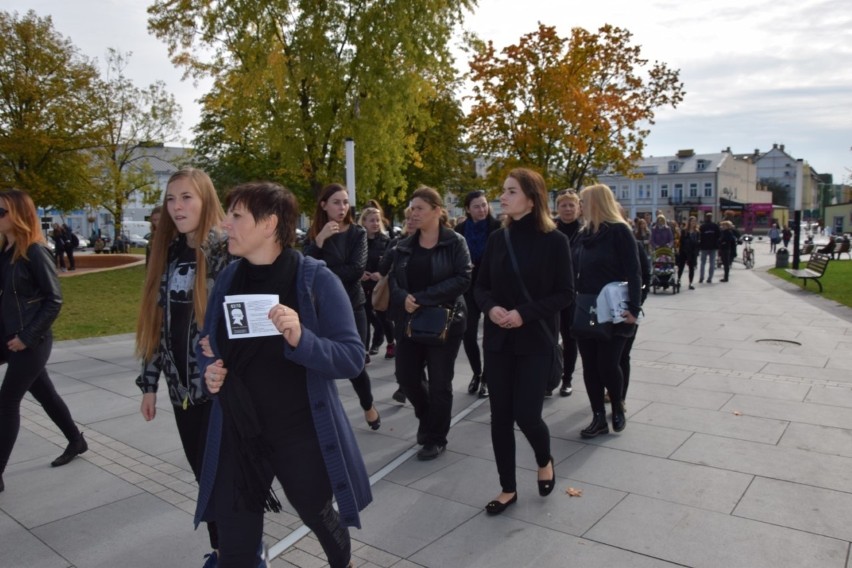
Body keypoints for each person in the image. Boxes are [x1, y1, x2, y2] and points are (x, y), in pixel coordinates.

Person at [195, 181, 371, 568]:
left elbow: (352, 357)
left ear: (270, 223)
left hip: (299, 433)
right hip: (239, 431)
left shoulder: (315, 279)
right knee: (236, 547)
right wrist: (210, 371)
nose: (226, 224)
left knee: (317, 513)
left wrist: (302, 338)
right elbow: (206, 344)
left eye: (237, 216)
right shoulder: (228, 278)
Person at [134, 167, 230, 566]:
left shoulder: (225, 250)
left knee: (224, 479)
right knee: (203, 477)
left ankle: (240, 550)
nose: (176, 206)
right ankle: (224, 549)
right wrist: (150, 384)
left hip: (218, 391)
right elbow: (156, 325)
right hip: (181, 393)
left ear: (205, 199)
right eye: (171, 199)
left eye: (186, 197)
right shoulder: (168, 253)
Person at [474, 168, 573, 515]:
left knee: (527, 414)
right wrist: (491, 308)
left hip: (535, 341)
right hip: (499, 341)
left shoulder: (555, 241)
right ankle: (507, 488)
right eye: (503, 190)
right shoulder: (498, 239)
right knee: (500, 416)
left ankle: (544, 460)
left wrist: (524, 313)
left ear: (531, 199)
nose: (502, 196)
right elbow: (479, 287)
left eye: (511, 191)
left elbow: (565, 294)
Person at [0, 189, 87, 495]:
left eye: (1, 212)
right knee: (46, 394)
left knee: (6, 402)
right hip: (7, 336)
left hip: (30, 340)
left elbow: (54, 300)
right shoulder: (5, 251)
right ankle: (76, 440)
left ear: (19, 216)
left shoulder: (35, 251)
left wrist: (26, 337)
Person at [387, 186, 471, 460]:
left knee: (439, 383)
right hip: (410, 321)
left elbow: (463, 278)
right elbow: (394, 281)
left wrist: (421, 298)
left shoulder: (454, 242)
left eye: (420, 208)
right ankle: (428, 417)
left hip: (445, 322)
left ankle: (436, 437)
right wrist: (404, 298)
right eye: (413, 208)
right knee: (407, 377)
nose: (414, 213)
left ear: (437, 210)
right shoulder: (404, 245)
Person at [304, 184, 380, 430]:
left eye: (345, 202)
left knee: (355, 364)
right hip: (322, 309)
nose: (342, 207)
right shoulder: (314, 234)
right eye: (336, 202)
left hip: (353, 305)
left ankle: (368, 405)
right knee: (321, 365)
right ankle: (327, 416)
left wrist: (322, 271)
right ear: (323, 205)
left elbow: (356, 270)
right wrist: (320, 240)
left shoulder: (357, 233)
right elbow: (305, 269)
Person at [574, 184, 641, 439]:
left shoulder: (620, 231)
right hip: (586, 308)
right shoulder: (583, 234)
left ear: (596, 202)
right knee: (590, 366)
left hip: (615, 310)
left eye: (583, 201)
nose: (580, 205)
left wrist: (634, 308)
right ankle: (598, 417)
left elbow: (634, 271)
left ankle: (617, 405)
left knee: (608, 364)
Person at [454, 190, 500, 399]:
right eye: (476, 206)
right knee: (468, 333)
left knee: (490, 336)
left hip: (492, 288)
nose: (482, 210)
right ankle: (477, 372)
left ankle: (489, 379)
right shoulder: (460, 230)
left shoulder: (498, 228)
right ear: (467, 209)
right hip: (468, 288)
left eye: (484, 205)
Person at [554, 190, 582, 397]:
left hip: (576, 293)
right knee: (549, 337)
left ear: (578, 208)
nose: (568, 209)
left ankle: (567, 379)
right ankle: (550, 376)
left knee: (570, 337)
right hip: (552, 292)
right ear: (557, 208)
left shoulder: (585, 231)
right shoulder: (550, 229)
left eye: (571, 205)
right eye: (564, 205)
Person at [359, 207, 395, 361]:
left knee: (384, 316)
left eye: (377, 220)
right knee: (365, 318)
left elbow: (391, 262)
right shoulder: (359, 240)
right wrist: (360, 273)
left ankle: (391, 343)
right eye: (371, 220)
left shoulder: (386, 240)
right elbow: (354, 261)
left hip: (380, 286)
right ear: (364, 222)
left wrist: (381, 273)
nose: (375, 223)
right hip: (362, 285)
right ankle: (364, 351)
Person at [676, 216, 700, 290]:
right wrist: (680, 251)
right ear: (689, 222)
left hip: (692, 252)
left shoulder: (697, 232)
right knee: (681, 267)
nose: (693, 223)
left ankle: (690, 283)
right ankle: (679, 280)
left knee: (691, 268)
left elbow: (698, 243)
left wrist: (696, 252)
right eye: (692, 221)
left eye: (694, 221)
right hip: (684, 251)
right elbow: (681, 242)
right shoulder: (684, 231)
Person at [698, 212, 720, 284]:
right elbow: (718, 236)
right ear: (711, 217)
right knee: (712, 263)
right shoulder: (715, 226)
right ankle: (710, 278)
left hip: (704, 247)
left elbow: (699, 236)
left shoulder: (702, 226)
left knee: (703, 263)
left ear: (705, 217)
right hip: (713, 247)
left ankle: (701, 277)